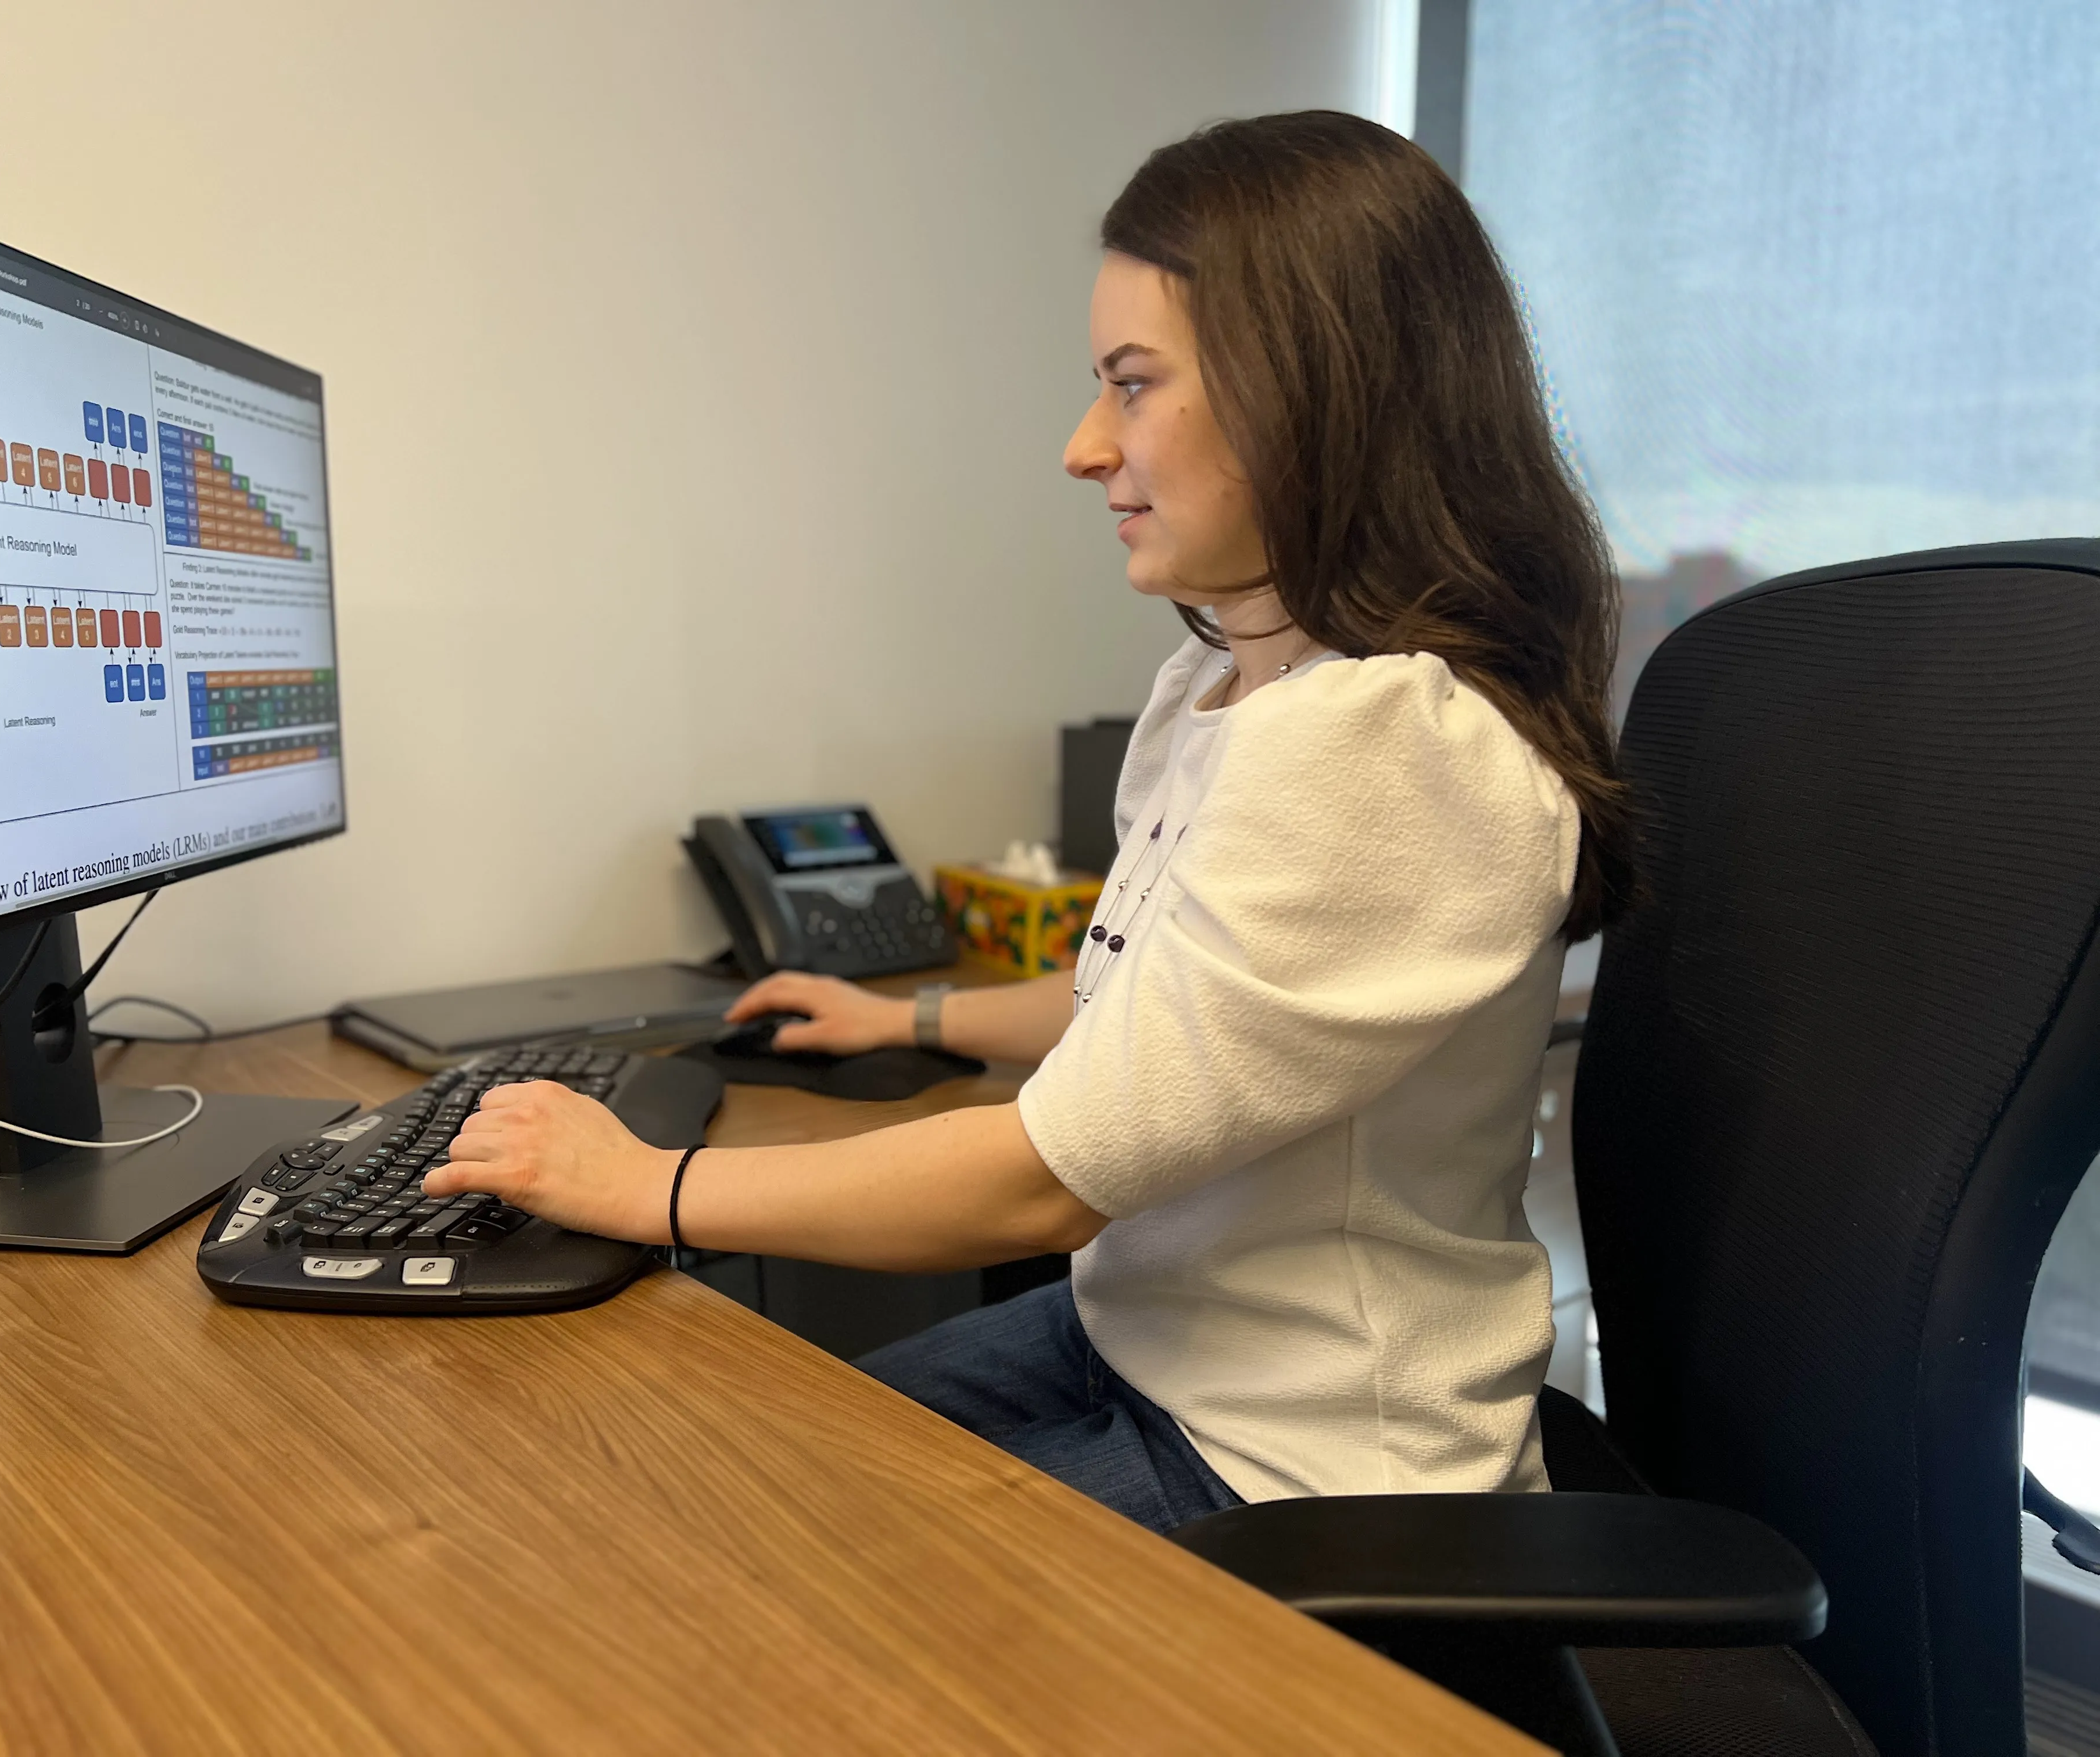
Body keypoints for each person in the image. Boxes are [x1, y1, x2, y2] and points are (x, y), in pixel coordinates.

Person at [427, 110, 1629, 1535]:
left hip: (1299, 1461)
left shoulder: (1387, 747)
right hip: (1141, 1344)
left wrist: (648, 1186)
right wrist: (914, 1021)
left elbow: (1039, 1188)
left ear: (1316, 392)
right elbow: (1150, 1025)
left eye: (1131, 386)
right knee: (709, 1474)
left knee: (712, 1554)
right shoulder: (1225, 690)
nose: (1081, 447)